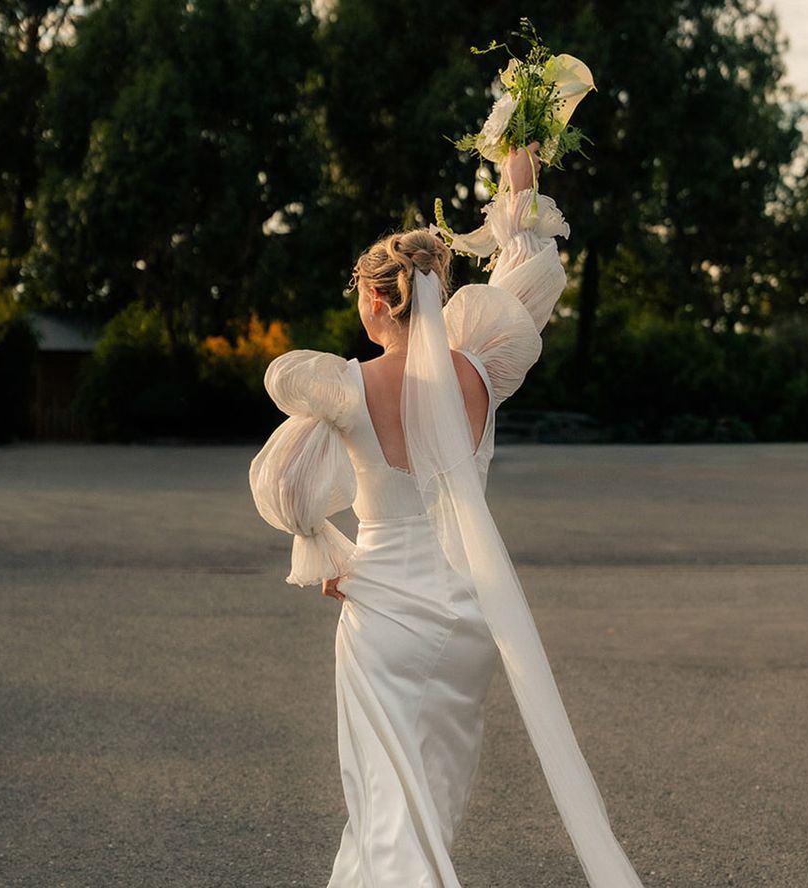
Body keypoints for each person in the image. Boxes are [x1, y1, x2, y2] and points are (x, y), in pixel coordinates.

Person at [249, 143, 645, 887]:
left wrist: (332, 557)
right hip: (468, 617)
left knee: (384, 812)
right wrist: (518, 189)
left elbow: (285, 492)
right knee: (425, 811)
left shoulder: (343, 386)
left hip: (386, 621)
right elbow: (529, 278)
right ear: (433, 292)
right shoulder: (484, 368)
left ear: (373, 299)